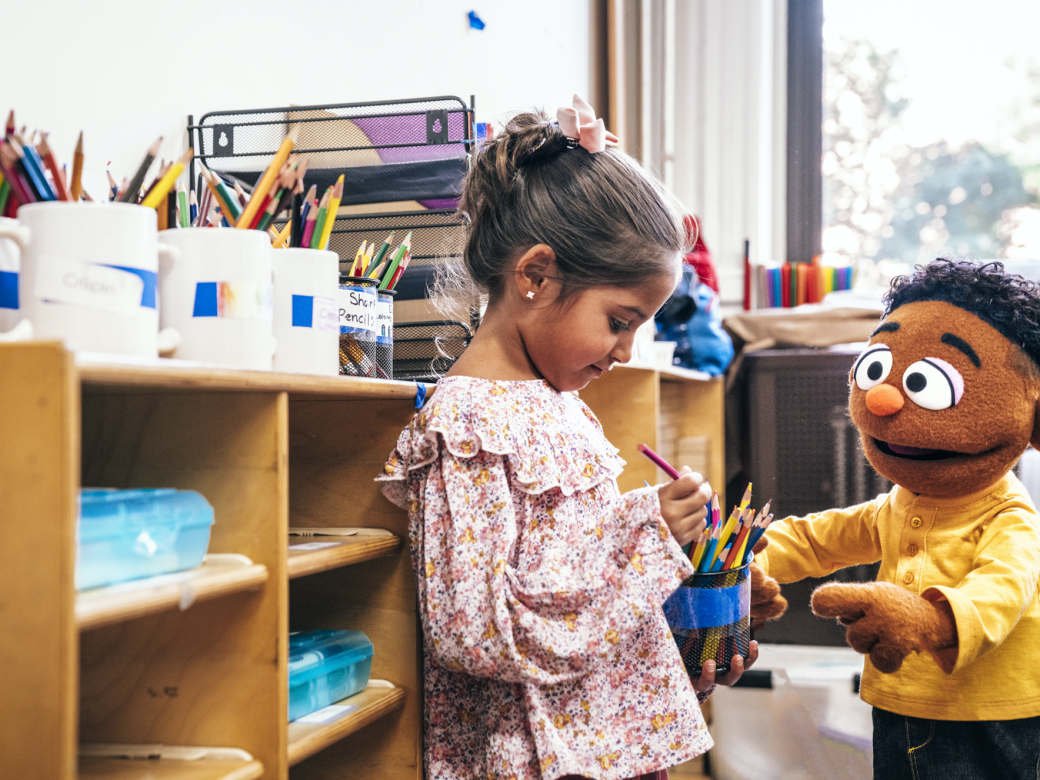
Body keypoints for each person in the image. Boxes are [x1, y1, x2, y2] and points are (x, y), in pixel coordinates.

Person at [378, 97, 757, 780]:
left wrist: (679, 633)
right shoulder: (468, 428)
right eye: (619, 320)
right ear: (535, 275)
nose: (626, 350)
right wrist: (645, 538)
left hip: (602, 751)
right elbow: (478, 633)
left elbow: (576, 590)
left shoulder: (559, 406)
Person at [751, 259, 1040, 779]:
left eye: (928, 384)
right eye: (876, 370)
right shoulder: (898, 503)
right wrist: (745, 561)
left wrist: (930, 619)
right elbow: (819, 538)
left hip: (988, 710)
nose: (883, 400)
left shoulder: (1008, 514)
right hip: (900, 701)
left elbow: (1003, 590)